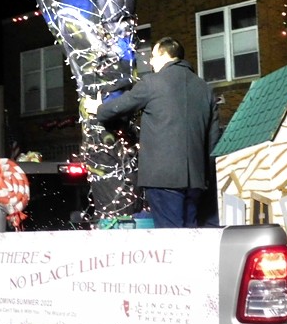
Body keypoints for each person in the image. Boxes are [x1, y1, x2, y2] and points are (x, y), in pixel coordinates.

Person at [84, 37, 221, 228]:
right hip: (196, 180)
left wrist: (98, 108)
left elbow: (119, 107)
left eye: (153, 57)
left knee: (169, 233)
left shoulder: (152, 83)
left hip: (162, 178)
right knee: (190, 232)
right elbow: (213, 141)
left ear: (165, 55)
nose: (151, 62)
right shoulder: (205, 89)